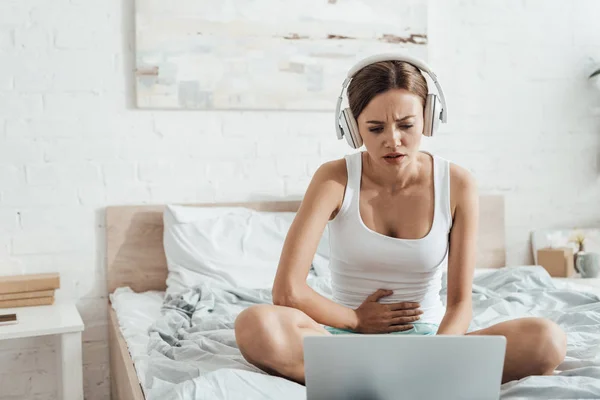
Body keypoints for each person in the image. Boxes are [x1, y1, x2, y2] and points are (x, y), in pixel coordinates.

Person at [234, 54, 566, 385]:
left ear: (428, 119)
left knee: (545, 341)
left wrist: (436, 351)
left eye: (406, 125)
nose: (392, 140)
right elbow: (287, 291)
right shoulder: (333, 178)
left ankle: (371, 380)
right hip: (343, 339)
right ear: (353, 128)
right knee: (254, 324)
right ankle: (403, 381)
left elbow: (461, 302)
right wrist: (355, 320)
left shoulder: (459, 184)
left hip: (433, 343)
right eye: (375, 128)